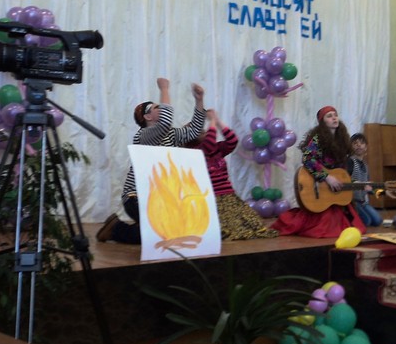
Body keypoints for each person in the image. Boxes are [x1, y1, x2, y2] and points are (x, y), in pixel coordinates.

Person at [97, 77, 205, 243]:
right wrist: (164, 89)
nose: (161, 107)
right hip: (136, 197)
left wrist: (199, 101)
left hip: (159, 197)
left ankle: (135, 226)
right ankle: (116, 230)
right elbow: (165, 122)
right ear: (147, 116)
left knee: (175, 230)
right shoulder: (144, 136)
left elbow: (195, 130)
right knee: (161, 234)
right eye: (156, 107)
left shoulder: (172, 134)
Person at [272, 105, 366, 238]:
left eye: (335, 115)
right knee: (325, 227)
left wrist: (350, 181)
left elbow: (341, 169)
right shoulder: (318, 139)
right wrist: (327, 177)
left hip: (333, 193)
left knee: (355, 225)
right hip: (319, 185)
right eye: (329, 116)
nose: (334, 118)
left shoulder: (342, 140)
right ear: (323, 121)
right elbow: (308, 158)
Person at [188, 109, 278, 241]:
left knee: (252, 223)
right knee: (227, 229)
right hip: (212, 199)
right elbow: (209, 142)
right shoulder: (196, 152)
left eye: (203, 130)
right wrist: (212, 121)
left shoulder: (216, 148)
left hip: (229, 195)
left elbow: (232, 140)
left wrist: (218, 121)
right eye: (200, 131)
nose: (204, 131)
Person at [347, 133, 382, 227]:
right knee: (367, 221)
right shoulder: (350, 161)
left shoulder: (366, 165)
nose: (359, 145)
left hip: (363, 202)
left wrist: (380, 191)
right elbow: (345, 180)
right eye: (355, 143)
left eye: (362, 143)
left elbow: (368, 186)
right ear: (351, 147)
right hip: (352, 201)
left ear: (366, 147)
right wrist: (360, 184)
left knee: (378, 221)